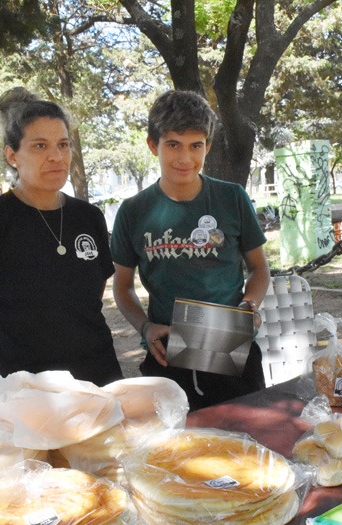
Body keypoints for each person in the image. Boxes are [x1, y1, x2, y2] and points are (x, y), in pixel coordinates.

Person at [0, 88, 122, 385]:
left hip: (98, 377)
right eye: (40, 146)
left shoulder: (89, 217)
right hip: (26, 388)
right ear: (12, 155)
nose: (56, 156)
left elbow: (91, 294)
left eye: (63, 145)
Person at [110, 90, 271, 410]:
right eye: (173, 145)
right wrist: (144, 327)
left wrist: (249, 305)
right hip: (169, 355)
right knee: (178, 451)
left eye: (196, 145)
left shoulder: (233, 198)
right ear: (153, 145)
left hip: (231, 348)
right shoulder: (133, 211)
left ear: (208, 146)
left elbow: (259, 268)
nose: (185, 158)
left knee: (245, 447)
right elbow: (122, 286)